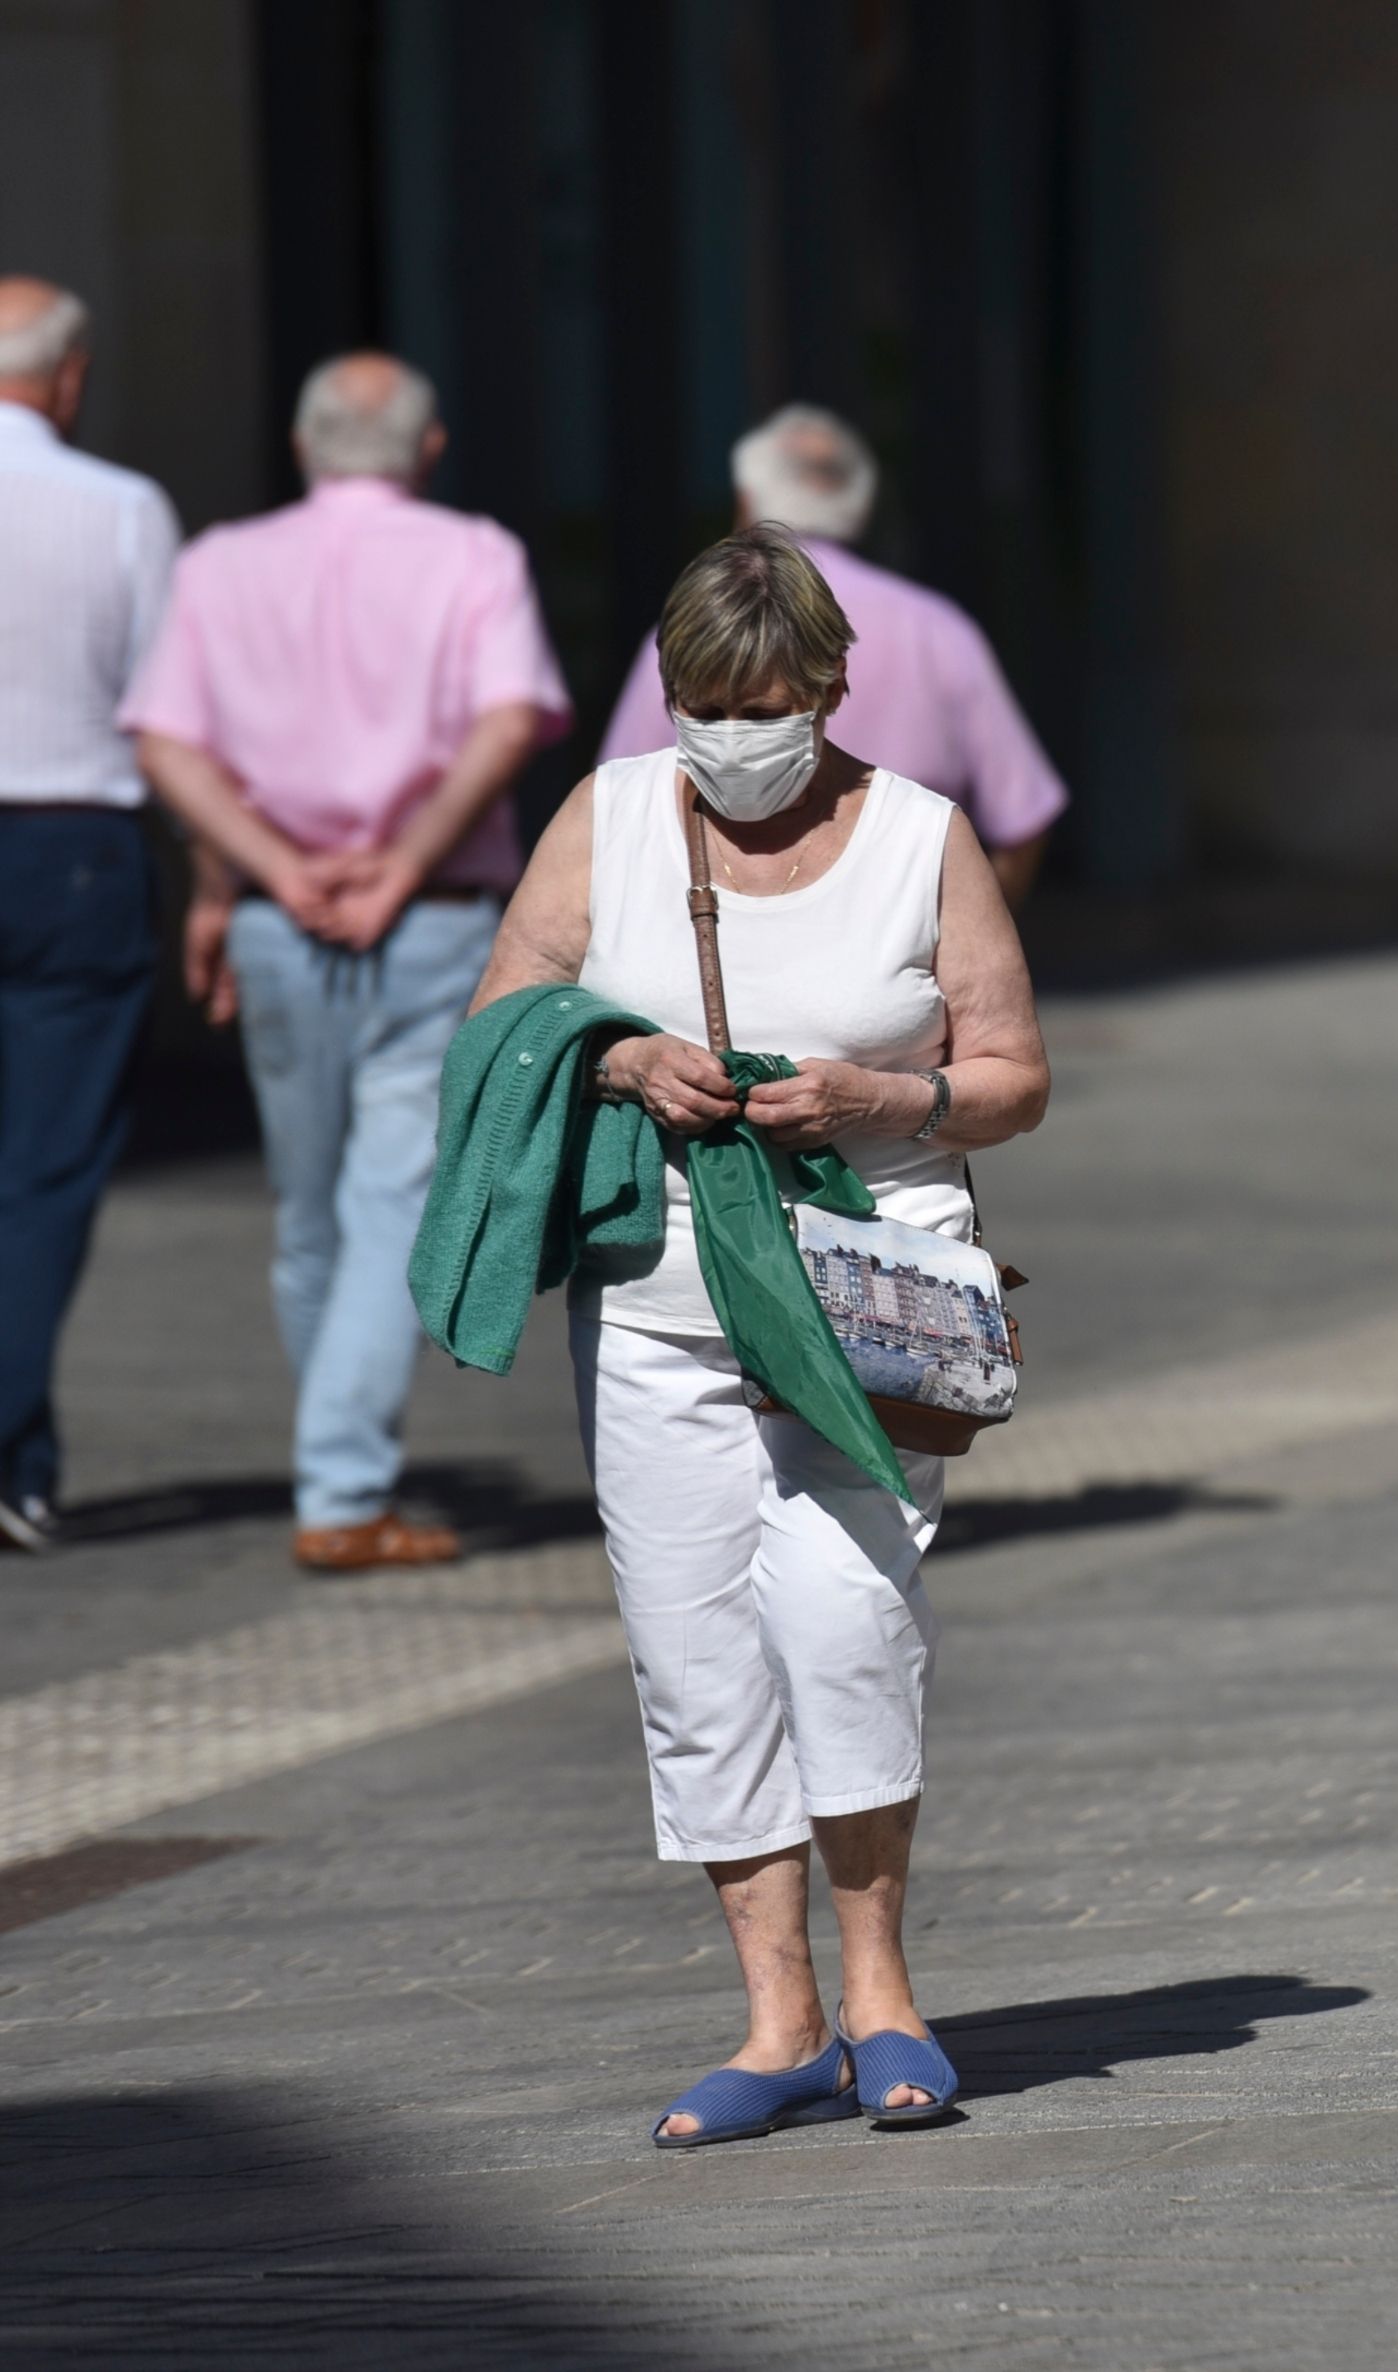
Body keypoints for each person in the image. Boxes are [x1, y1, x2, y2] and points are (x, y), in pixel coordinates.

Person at [470, 524, 1049, 2141]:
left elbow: (1014, 1070)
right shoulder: (612, 817)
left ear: (832, 686)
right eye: (702, 704)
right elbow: (505, 1017)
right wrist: (618, 1062)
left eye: (768, 701)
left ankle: (882, 1993)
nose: (732, 735)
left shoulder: (921, 837)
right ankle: (777, 2020)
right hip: (658, 1302)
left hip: (870, 1301)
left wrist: (884, 1094)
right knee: (696, 1646)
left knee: (839, 1610)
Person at [123, 353, 573, 1572]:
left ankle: (341, 1464)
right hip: (426, 907)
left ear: (299, 443)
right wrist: (401, 854)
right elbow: (510, 717)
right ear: (425, 451)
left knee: (312, 1211)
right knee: (387, 1203)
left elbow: (165, 740)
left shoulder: (221, 563)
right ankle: (339, 1482)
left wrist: (264, 862)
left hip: (284, 916)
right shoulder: (475, 554)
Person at [598, 403, 1068, 908]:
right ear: (859, 507)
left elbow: (620, 811)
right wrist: (960, 934)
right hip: (902, 919)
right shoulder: (937, 628)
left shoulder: (699, 631)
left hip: (718, 919)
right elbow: (1023, 817)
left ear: (746, 501)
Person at [0, 278, 180, 1554]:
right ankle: (12, 1453)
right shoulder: (121, 505)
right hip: (73, 840)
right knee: (46, 1169)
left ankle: (22, 1451)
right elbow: (161, 712)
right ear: (66, 380)